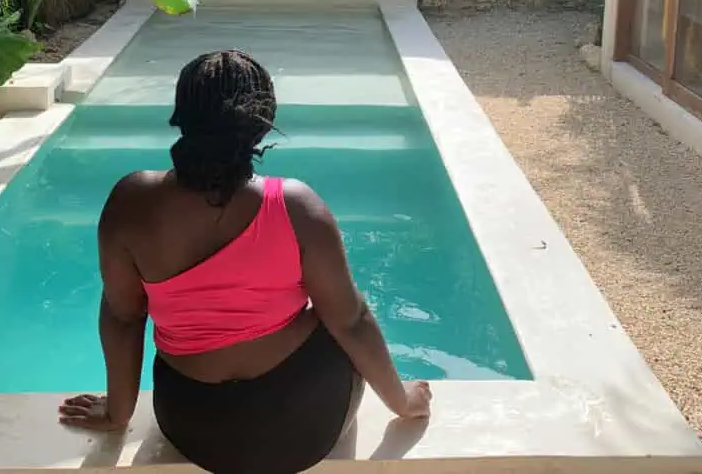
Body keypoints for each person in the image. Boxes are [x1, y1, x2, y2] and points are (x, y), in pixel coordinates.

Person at [59, 49, 432, 474]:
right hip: (303, 428)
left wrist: (117, 415)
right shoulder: (296, 206)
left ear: (181, 115)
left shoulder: (131, 201)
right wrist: (404, 402)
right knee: (343, 310)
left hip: (191, 425)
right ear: (262, 121)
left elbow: (124, 319)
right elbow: (351, 322)